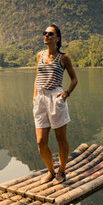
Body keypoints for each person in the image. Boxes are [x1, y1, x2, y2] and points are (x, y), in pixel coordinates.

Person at [32, 24, 78, 183]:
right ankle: (51, 171)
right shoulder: (39, 55)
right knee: (40, 141)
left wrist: (65, 94)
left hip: (55, 98)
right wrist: (35, 96)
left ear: (57, 38)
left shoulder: (63, 57)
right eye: (44, 33)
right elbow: (37, 76)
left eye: (50, 34)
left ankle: (62, 171)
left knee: (60, 139)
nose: (46, 36)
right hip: (40, 98)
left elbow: (74, 79)